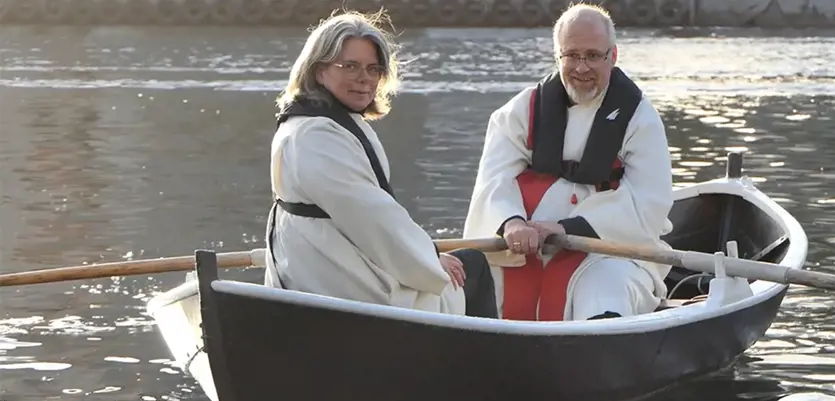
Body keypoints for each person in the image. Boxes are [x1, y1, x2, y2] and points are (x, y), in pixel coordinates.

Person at [263, 10, 497, 318]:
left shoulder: (310, 123)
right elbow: (370, 214)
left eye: (374, 69)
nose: (364, 78)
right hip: (339, 282)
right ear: (319, 71)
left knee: (465, 262)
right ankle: (486, 362)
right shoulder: (317, 135)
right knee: (474, 266)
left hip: (323, 265)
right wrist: (428, 260)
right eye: (350, 66)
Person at [462, 3, 675, 322]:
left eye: (592, 55)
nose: (582, 67)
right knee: (461, 283)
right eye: (572, 55)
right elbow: (494, 180)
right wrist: (512, 223)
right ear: (557, 57)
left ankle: (597, 347)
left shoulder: (639, 120)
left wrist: (566, 228)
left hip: (605, 252)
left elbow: (648, 203)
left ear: (612, 57)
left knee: (605, 290)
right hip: (523, 250)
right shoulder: (519, 112)